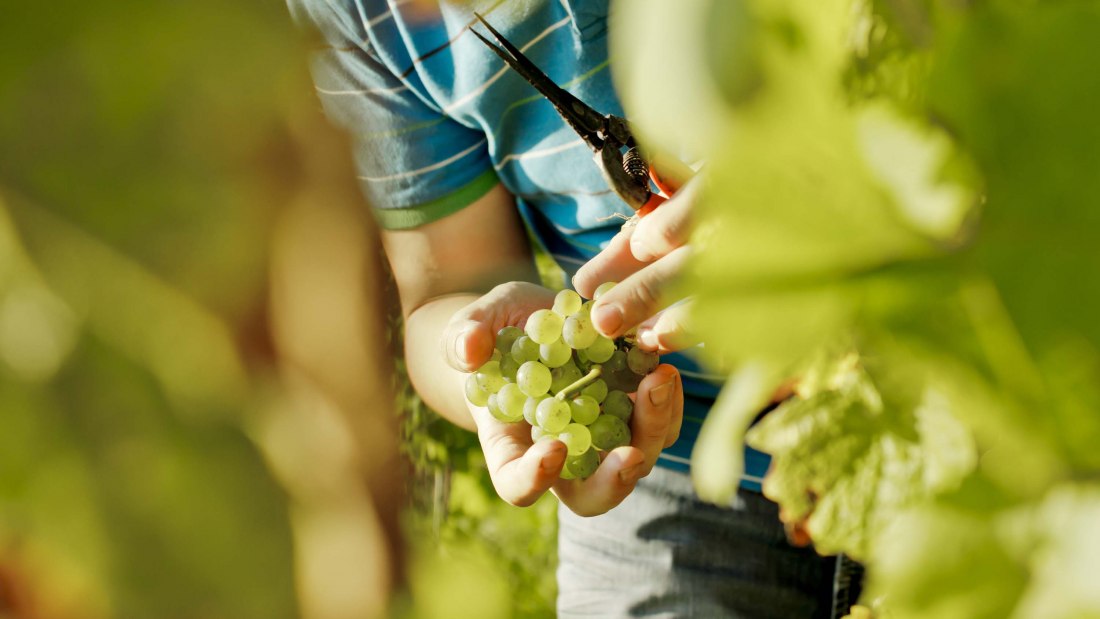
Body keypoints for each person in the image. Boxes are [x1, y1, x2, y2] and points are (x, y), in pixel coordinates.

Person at [287, 0, 839, 616]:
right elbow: (441, 288)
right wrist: (482, 367)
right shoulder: (352, 13)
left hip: (908, 343)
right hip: (668, 455)